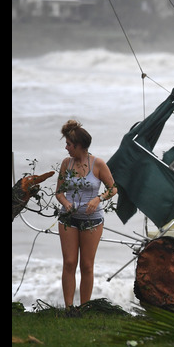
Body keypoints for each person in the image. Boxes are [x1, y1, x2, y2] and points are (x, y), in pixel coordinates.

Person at [54, 119, 117, 310]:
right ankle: (69, 307)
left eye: (69, 144)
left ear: (79, 146)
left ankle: (85, 307)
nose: (66, 148)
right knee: (69, 262)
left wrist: (98, 199)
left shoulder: (98, 164)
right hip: (68, 218)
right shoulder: (67, 164)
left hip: (92, 220)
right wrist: (66, 204)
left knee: (87, 266)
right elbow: (59, 192)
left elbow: (113, 189)